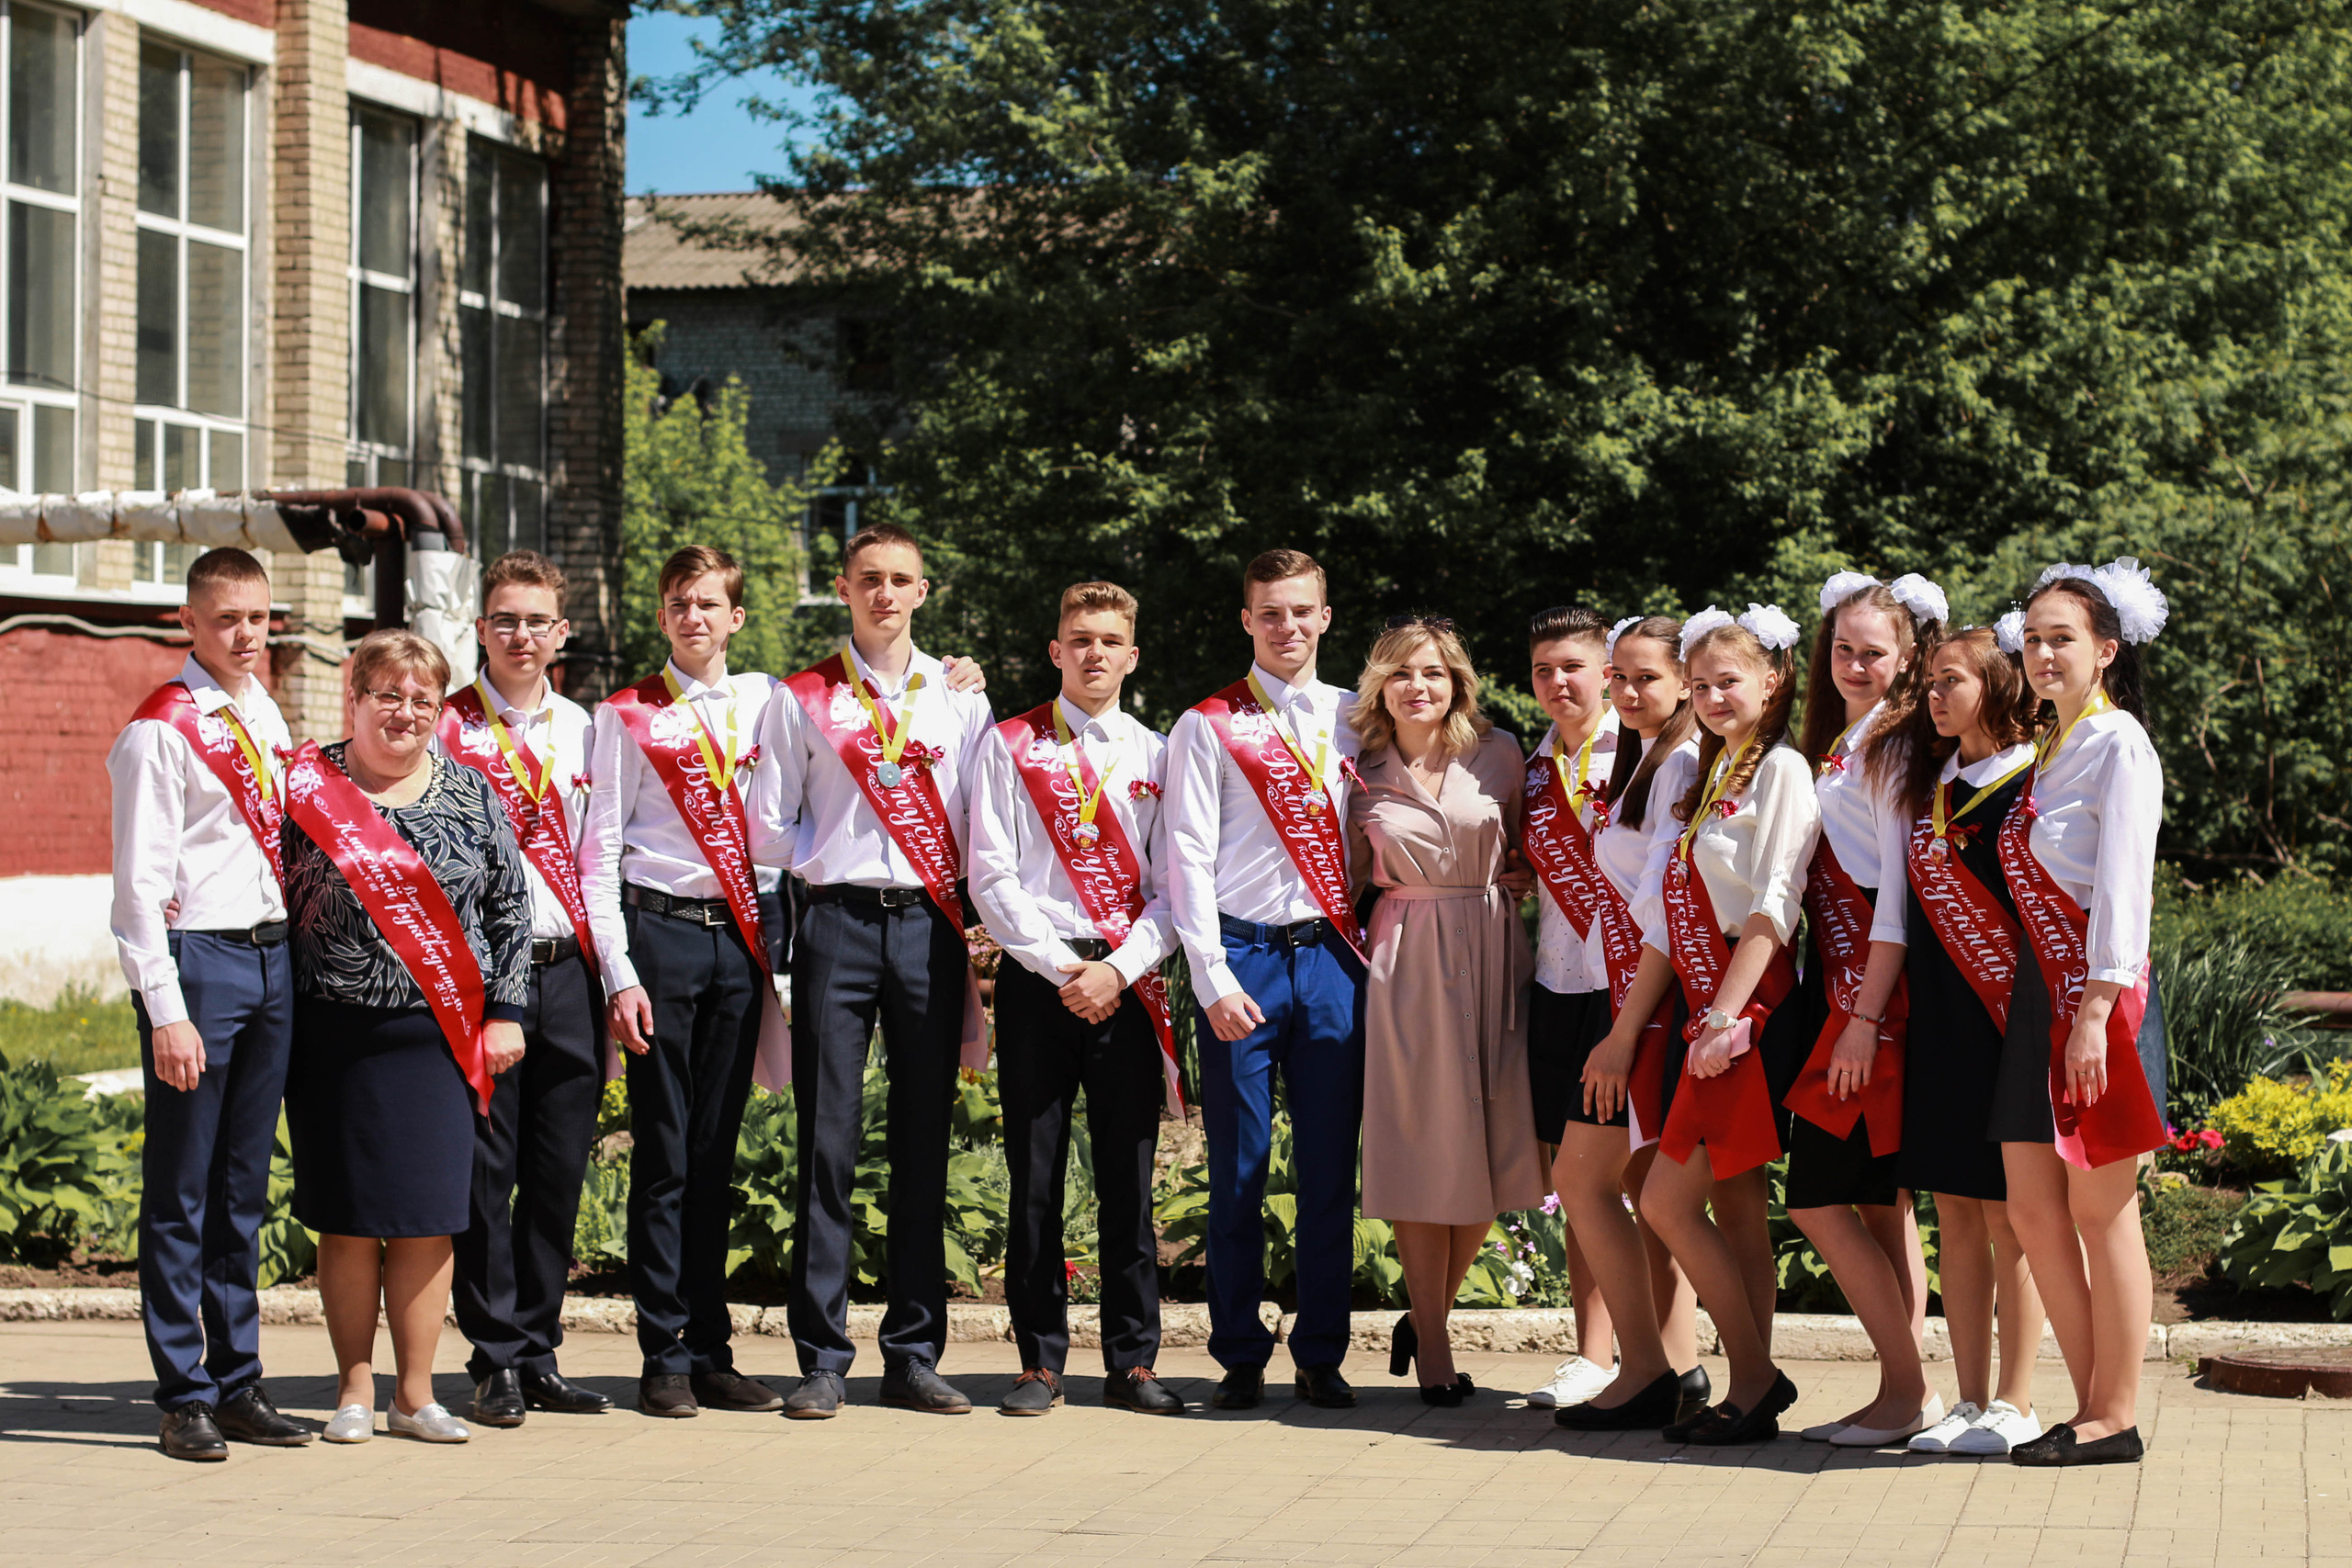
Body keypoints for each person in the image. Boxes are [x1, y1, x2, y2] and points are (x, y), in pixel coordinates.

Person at [755, 523, 996, 1419]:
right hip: (836, 925)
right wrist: (834, 851)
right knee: (827, 1143)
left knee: (922, 1146)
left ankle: (912, 1353)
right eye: (869, 580)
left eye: (901, 580)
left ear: (923, 593)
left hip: (927, 933)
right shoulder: (802, 699)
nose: (885, 594)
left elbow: (979, 820)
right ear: (843, 588)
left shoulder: (957, 697)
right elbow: (766, 824)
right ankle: (821, 1357)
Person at [280, 630, 531, 1446]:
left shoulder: (470, 792)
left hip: (439, 1036)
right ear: (353, 696)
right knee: (349, 1218)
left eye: (422, 698)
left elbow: (509, 908)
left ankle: (416, 1393)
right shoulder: (305, 785)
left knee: (427, 1216)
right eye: (387, 694)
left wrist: (506, 1010)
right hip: (334, 1033)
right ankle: (355, 1386)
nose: (405, 712)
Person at [108, 547, 311, 1461]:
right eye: (227, 619)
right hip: (201, 968)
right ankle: (183, 1391)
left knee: (242, 1191)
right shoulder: (164, 729)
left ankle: (238, 1381)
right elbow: (137, 889)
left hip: (272, 964)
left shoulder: (262, 713)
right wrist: (164, 1008)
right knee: (181, 1191)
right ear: (186, 622)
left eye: (259, 618)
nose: (245, 635)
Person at [581, 545, 790, 1418]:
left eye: (707, 602)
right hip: (660, 937)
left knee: (715, 1153)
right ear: (662, 615)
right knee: (664, 1156)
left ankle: (712, 1348)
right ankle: (661, 1352)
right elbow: (600, 850)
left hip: (739, 945)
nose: (692, 616)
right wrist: (619, 973)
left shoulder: (768, 701)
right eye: (677, 603)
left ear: (736, 616)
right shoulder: (625, 714)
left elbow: (785, 831)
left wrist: (960, 679)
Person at [968, 581, 1183, 1416]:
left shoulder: (1159, 753)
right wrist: (1065, 968)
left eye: (1109, 640)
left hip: (1126, 983)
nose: (1094, 652)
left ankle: (1133, 1360)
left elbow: (1176, 887)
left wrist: (1117, 970)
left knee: (1129, 1179)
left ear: (1133, 655)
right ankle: (1038, 1361)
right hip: (1038, 982)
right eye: (1078, 638)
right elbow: (990, 874)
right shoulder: (1009, 744)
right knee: (1036, 1176)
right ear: (1056, 651)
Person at [1165, 548, 1366, 1411]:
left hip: (1330, 957)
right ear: (1247, 621)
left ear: (1326, 615)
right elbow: (1186, 858)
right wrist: (1209, 977)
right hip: (1240, 957)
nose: (1287, 626)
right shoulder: (1206, 724)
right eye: (1269, 613)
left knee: (1329, 1166)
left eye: (1301, 610)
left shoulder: (1363, 715)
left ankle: (1322, 1348)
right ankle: (1240, 1351)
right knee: (1238, 1167)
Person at [1993, 560, 2171, 1467]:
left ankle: (2115, 1413)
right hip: (2039, 998)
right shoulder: (2050, 750)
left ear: (2104, 650)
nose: (2041, 652)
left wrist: (2098, 1007)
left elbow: (2124, 890)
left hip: (2094, 1000)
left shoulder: (2118, 745)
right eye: (2030, 638)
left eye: (2060, 636)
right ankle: (2088, 1399)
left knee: (2102, 1212)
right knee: (2031, 1206)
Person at [1627, 604, 1818, 1445]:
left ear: (1772, 681)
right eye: (1698, 684)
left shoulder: (1781, 770)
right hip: (1714, 1001)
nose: (1709, 696)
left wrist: (1725, 1015)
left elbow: (1777, 902)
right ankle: (1750, 1386)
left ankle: (1755, 1376)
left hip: (1748, 1000)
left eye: (1727, 681)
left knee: (1666, 1201)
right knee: (1731, 1207)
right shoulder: (1716, 771)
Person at [1347, 616, 1546, 1404]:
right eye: (1400, 673)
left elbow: (1540, 845)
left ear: (1456, 678)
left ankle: (1426, 1309)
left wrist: (1524, 876)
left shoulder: (1499, 754)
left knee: (1495, 1156)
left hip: (1498, 950)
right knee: (1423, 1149)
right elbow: (1343, 875)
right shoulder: (1357, 767)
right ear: (1380, 686)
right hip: (1407, 960)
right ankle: (1433, 1340)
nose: (1417, 686)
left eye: (1431, 671)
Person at [438, 551, 614, 1425]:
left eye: (537, 621)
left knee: (558, 1168)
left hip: (569, 971)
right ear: (481, 630)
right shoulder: (445, 726)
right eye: (504, 619)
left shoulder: (587, 729)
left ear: (561, 634)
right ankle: (493, 1354)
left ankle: (540, 1348)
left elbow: (600, 857)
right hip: (481, 987)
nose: (520, 635)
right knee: (486, 1171)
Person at [1872, 627, 2049, 1456]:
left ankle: (2018, 1399)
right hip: (1940, 1019)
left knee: (2011, 1215)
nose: (1935, 696)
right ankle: (1970, 1398)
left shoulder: (2029, 783)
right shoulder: (1936, 781)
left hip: (2004, 1023)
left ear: (1999, 686)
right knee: (1954, 1210)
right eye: (1931, 681)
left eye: (1952, 681)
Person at [1780, 572, 1945, 1448]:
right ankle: (1901, 1393)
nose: (1853, 664)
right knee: (1884, 1204)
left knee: (1820, 1197)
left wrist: (1865, 1016)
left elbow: (1895, 900)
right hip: (1835, 988)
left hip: (1868, 996)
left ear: (1909, 655)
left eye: (1873, 651)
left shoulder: (1892, 748)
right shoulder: (1848, 740)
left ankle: (1908, 1389)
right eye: (1842, 649)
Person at [1541, 614, 1708, 1431]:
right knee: (1633, 1186)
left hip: (1646, 1009)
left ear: (1685, 680)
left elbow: (1667, 916)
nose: (1632, 691)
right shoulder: (1647, 757)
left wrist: (1621, 1031)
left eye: (1649, 677)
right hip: (1630, 1000)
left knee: (1582, 1179)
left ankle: (1646, 1366)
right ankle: (1678, 1366)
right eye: (1623, 677)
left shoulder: (1678, 763)